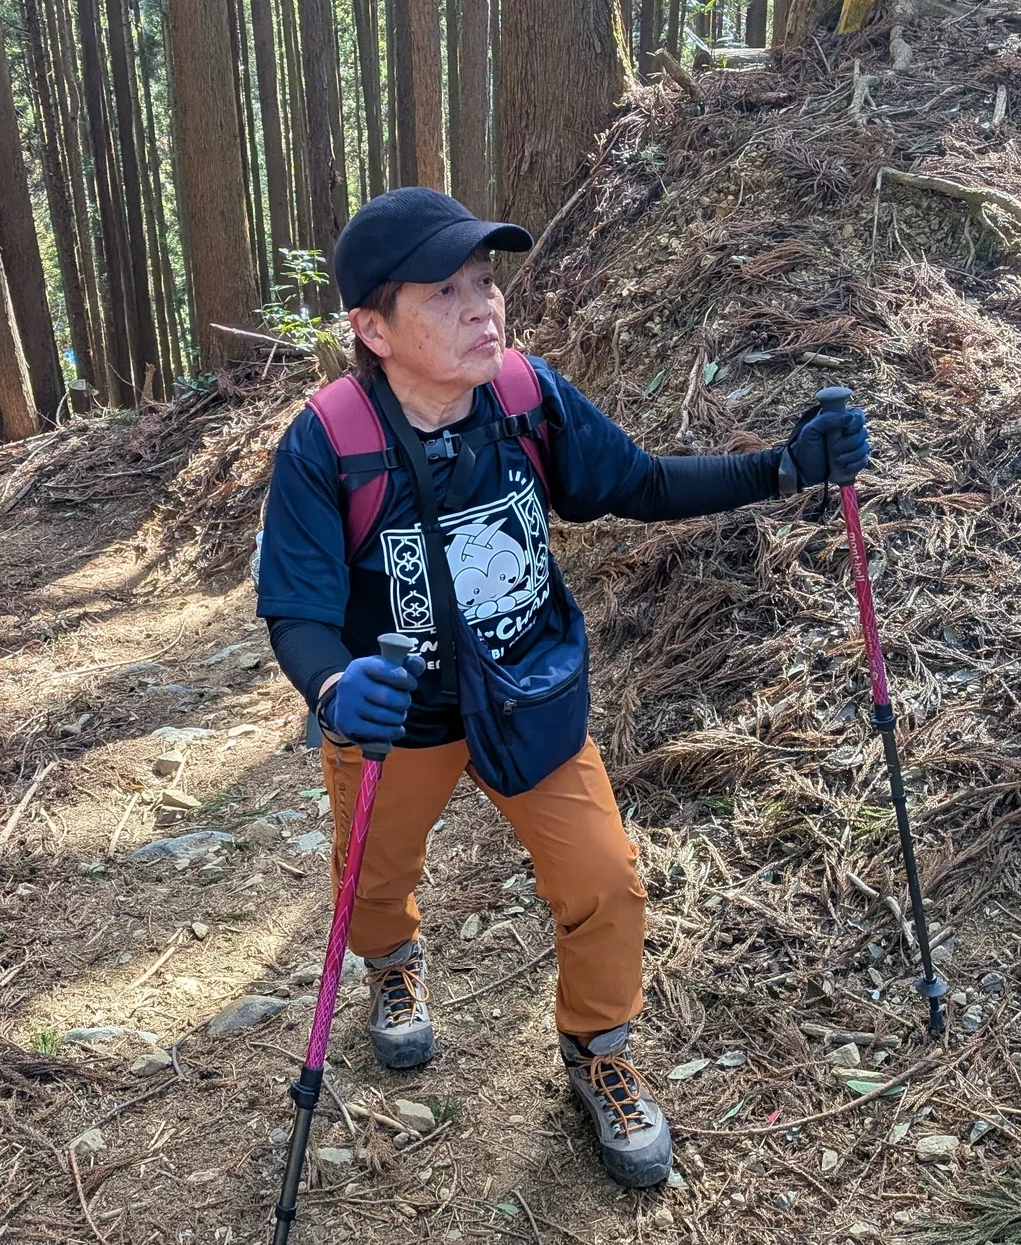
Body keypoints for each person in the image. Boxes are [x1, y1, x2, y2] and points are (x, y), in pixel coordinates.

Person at [255, 187, 871, 1187]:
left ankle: (598, 1053)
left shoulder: (525, 397)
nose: (482, 308)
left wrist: (783, 467)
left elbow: (637, 485)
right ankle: (394, 969)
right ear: (370, 328)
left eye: (485, 282)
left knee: (604, 882)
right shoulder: (327, 442)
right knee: (370, 882)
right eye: (443, 292)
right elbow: (296, 609)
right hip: (392, 722)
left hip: (524, 693)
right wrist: (331, 686)